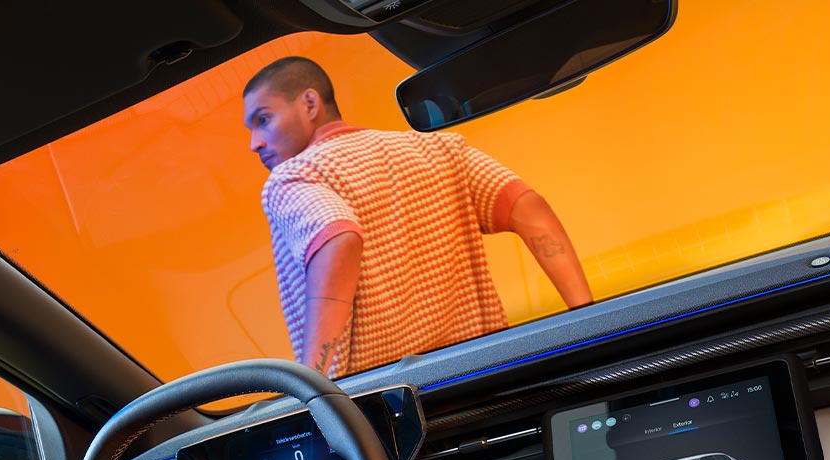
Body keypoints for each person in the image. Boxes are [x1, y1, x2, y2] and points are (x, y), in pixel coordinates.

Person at [243, 56, 593, 379]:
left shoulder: (293, 179)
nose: (254, 143)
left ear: (309, 103)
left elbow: (338, 239)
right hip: (483, 376)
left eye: (263, 119)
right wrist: (586, 323)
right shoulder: (438, 149)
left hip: (387, 403)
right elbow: (528, 208)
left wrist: (314, 383)